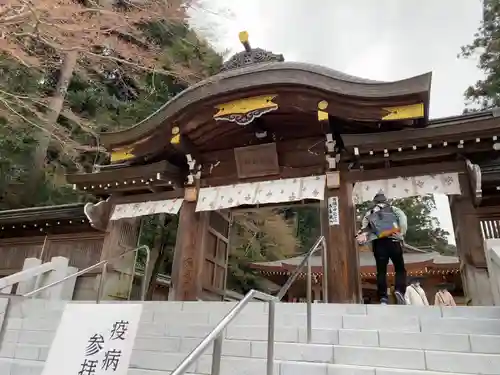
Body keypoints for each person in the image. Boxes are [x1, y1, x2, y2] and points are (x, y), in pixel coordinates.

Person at [356, 192, 408, 305]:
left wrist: (367, 243)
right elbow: (403, 220)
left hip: (379, 244)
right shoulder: (394, 209)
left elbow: (364, 230)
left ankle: (383, 297)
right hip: (393, 240)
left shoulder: (369, 213)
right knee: (399, 268)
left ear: (375, 201)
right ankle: (399, 290)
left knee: (381, 271)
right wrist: (401, 234)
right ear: (386, 200)